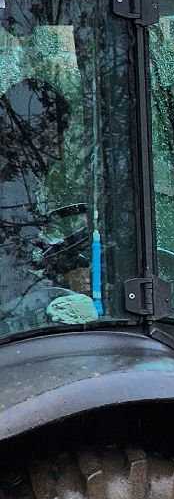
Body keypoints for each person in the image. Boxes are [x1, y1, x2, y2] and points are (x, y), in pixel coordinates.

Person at [0, 77, 94, 334]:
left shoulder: (17, 179)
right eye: (52, 140)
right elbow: (8, 279)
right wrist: (59, 286)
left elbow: (17, 247)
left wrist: (58, 263)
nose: (59, 154)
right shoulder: (9, 185)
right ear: (21, 134)